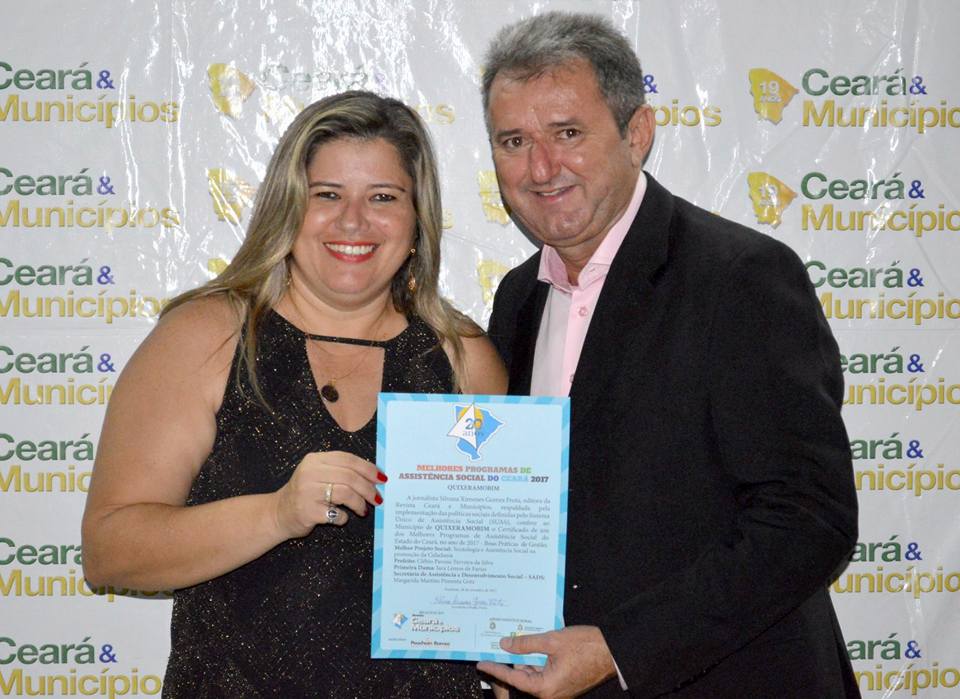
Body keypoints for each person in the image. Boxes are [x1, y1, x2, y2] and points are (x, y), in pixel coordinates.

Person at [477, 12, 860, 699]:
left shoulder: (741, 277)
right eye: (514, 141)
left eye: (568, 133)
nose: (541, 167)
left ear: (637, 134)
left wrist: (619, 649)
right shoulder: (517, 300)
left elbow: (808, 518)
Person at [81, 91, 506, 697]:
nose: (353, 221)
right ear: (287, 208)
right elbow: (110, 551)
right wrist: (277, 513)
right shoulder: (207, 337)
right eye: (326, 195)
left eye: (383, 198)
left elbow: (497, 569)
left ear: (417, 219)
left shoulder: (464, 359)